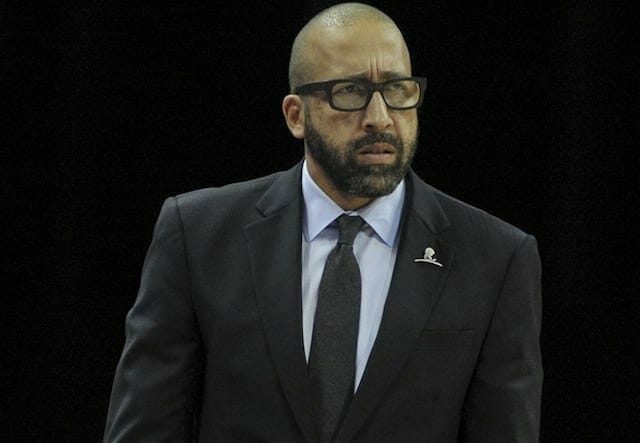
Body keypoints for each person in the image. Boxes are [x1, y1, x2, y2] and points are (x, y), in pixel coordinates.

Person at [104, 3, 542, 442]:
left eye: (397, 89)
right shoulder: (198, 236)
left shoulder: (495, 259)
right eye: (350, 91)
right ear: (296, 115)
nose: (380, 117)